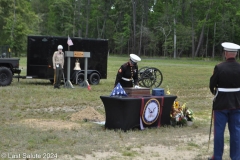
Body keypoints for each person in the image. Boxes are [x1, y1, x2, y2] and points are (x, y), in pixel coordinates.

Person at [209, 42, 240, 160]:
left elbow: (212, 85)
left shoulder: (219, 67)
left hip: (221, 104)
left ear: (225, 53)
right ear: (236, 54)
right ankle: (236, 157)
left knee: (219, 132)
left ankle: (217, 157)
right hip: (237, 104)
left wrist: (216, 93)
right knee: (236, 132)